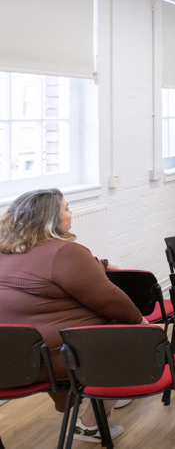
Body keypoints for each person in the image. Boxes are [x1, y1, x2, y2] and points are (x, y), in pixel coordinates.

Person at [0, 189, 145, 443]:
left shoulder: (7, 249)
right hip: (47, 358)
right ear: (51, 219)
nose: (70, 214)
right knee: (132, 337)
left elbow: (61, 269)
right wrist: (143, 324)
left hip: (10, 356)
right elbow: (112, 300)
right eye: (66, 209)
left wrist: (102, 264)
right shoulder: (64, 252)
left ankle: (89, 398)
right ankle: (91, 424)